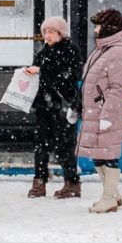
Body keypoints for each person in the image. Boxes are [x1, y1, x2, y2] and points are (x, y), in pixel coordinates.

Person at [77, 8, 122, 214]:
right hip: (96, 112)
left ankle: (108, 198)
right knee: (99, 155)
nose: (95, 30)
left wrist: (107, 117)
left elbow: (118, 88)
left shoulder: (118, 52)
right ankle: (114, 195)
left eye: (99, 26)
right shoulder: (104, 49)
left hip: (106, 113)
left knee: (108, 155)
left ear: (108, 28)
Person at [24, 16, 83, 199]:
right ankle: (39, 183)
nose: (47, 36)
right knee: (41, 145)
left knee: (64, 145)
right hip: (44, 105)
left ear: (60, 33)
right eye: (45, 32)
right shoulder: (43, 52)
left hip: (63, 105)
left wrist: (41, 71)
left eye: (51, 32)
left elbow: (68, 76)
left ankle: (72, 183)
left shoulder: (70, 50)